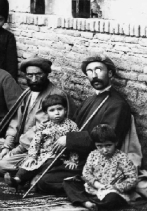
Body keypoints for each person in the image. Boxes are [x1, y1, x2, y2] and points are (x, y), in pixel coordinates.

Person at [35, 54, 132, 194]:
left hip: (96, 159)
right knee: (43, 163)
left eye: (98, 70)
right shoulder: (90, 99)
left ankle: (86, 184)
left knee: (45, 181)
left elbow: (107, 138)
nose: (94, 75)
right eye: (90, 72)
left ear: (110, 73)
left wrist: (69, 139)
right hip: (76, 154)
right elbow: (73, 124)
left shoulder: (117, 104)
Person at [0, 57, 75, 175]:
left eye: (38, 75)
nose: (34, 79)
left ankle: (18, 169)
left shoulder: (55, 95)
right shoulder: (28, 92)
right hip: (18, 143)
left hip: (38, 148)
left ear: (46, 74)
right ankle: (5, 165)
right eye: (30, 75)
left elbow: (42, 129)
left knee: (2, 164)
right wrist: (7, 146)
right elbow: (16, 121)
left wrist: (14, 152)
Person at [4, 94, 79, 190]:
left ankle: (36, 179)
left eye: (59, 109)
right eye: (52, 110)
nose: (56, 113)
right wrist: (32, 156)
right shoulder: (44, 126)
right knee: (28, 164)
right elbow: (36, 142)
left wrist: (73, 160)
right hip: (42, 155)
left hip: (58, 156)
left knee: (48, 165)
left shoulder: (71, 126)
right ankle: (17, 180)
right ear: (46, 113)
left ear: (65, 110)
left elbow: (75, 143)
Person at [63, 124, 138, 210]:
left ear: (116, 142)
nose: (105, 150)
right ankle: (86, 203)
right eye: (100, 146)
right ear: (95, 144)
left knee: (113, 198)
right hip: (94, 188)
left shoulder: (122, 158)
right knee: (69, 182)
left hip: (111, 191)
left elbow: (132, 178)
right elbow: (86, 173)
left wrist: (116, 186)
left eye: (108, 145)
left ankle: (97, 206)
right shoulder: (93, 155)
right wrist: (96, 184)